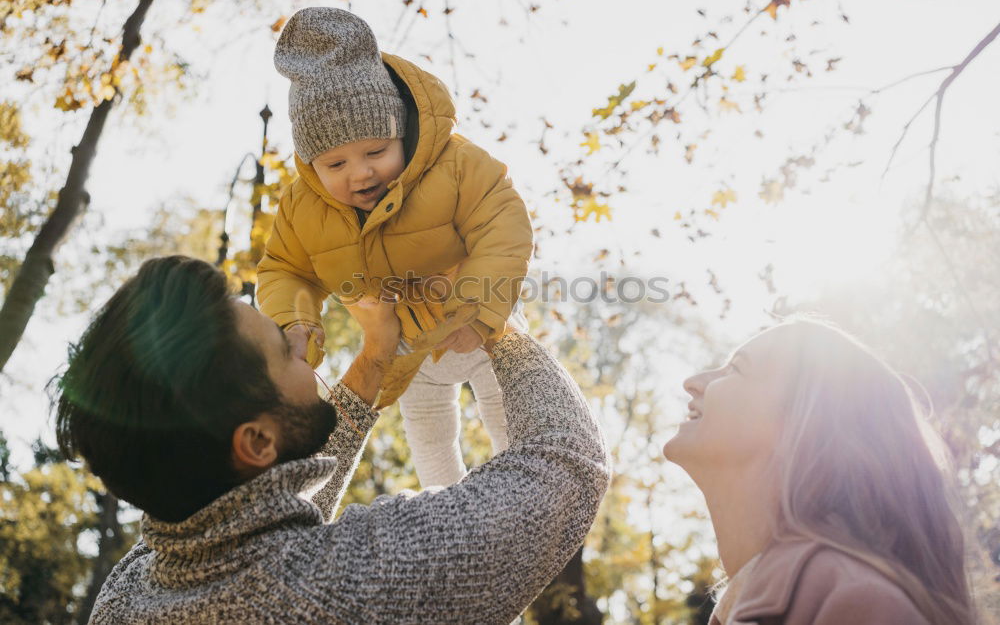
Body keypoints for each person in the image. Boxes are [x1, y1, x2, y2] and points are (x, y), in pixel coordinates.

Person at [52, 256, 609, 624]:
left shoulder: (128, 595)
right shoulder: (351, 583)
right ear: (256, 442)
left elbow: (249, 523)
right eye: (280, 348)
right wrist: (493, 326)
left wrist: (373, 361)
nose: (299, 343)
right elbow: (564, 464)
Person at [257, 6, 534, 489]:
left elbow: (502, 222)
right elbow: (285, 269)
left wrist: (483, 306)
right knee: (429, 439)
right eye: (335, 163)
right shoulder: (302, 206)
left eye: (375, 152)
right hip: (407, 347)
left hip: (484, 324)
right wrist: (296, 323)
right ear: (310, 162)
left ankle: (524, 502)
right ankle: (451, 522)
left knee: (511, 419)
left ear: (401, 131)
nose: (359, 173)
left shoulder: (455, 164)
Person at [662, 316, 975, 625]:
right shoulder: (783, 600)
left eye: (736, 369)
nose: (692, 383)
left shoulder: (858, 604)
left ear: (805, 425)